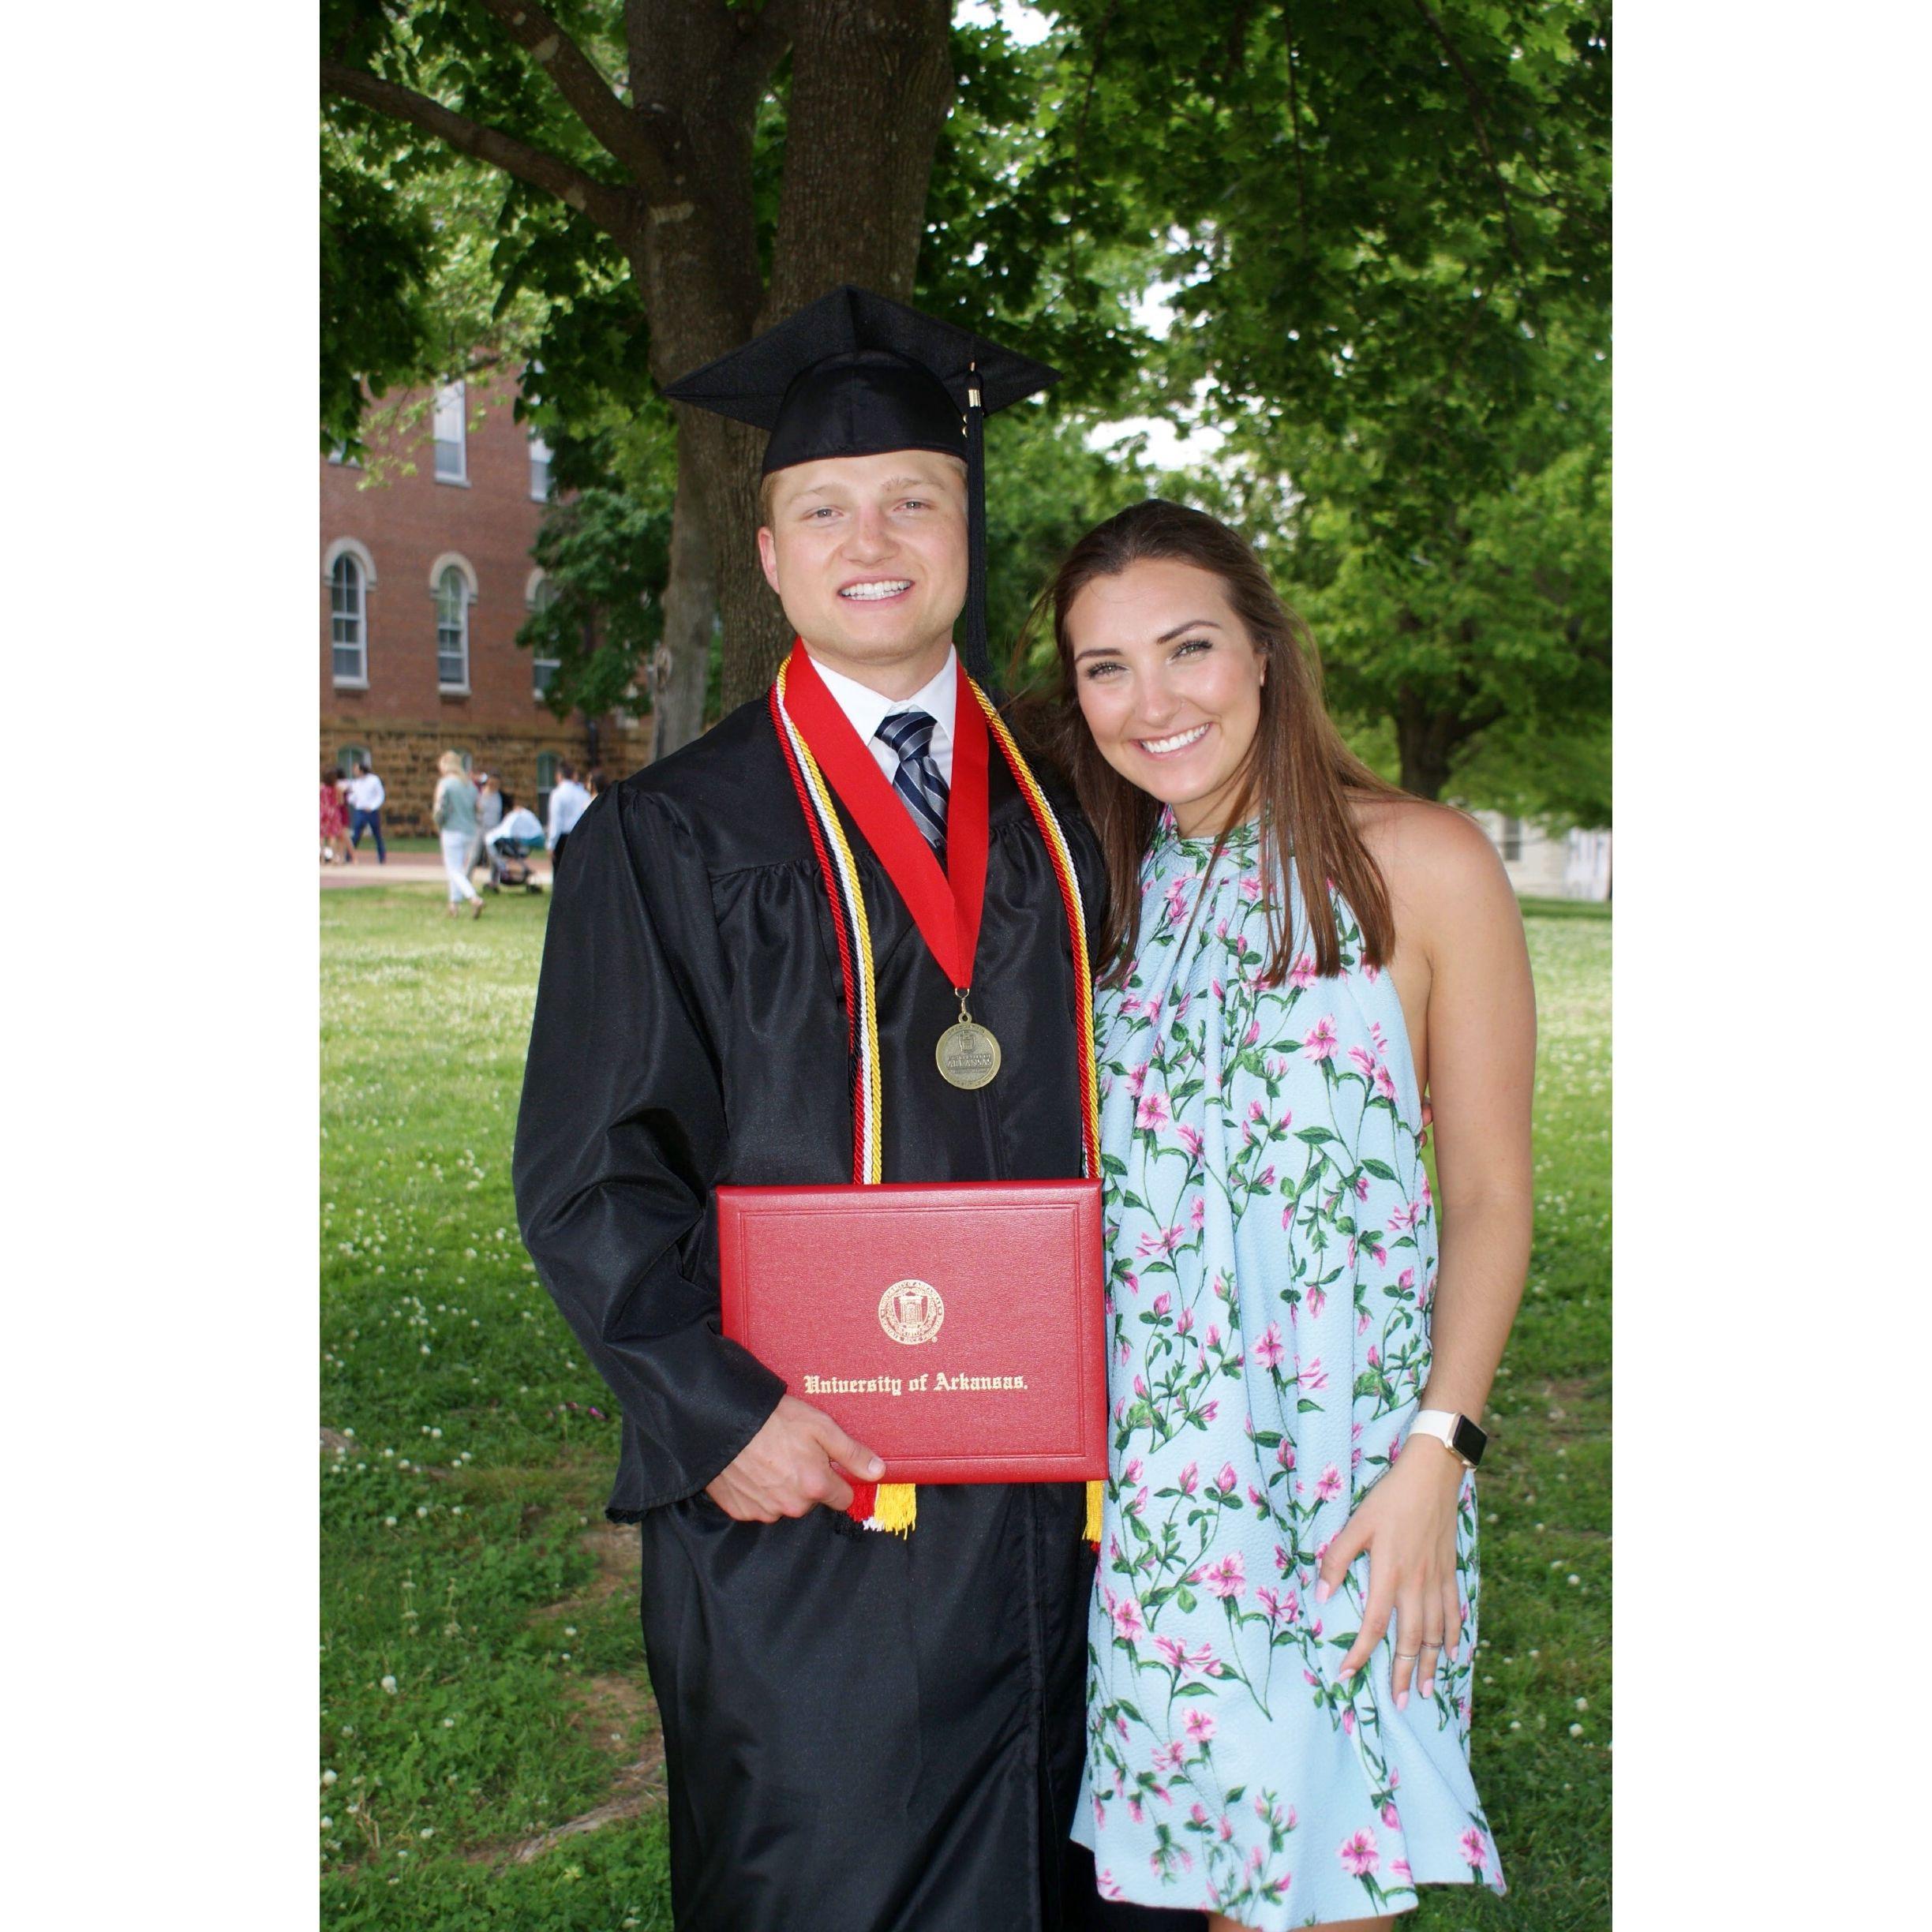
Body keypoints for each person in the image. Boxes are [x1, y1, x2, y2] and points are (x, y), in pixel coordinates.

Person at [514, 287, 1176, 1932]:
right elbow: (593, 1178)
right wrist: (711, 1415)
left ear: (966, 532)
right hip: (813, 1503)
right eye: (826, 506)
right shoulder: (668, 838)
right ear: (770, 553)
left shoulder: (1088, 805)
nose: (870, 537)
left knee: (1098, 1878)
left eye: (914, 498)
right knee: (834, 1874)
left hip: (1084, 1510)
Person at [1034, 501, 1533, 1932]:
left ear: (1262, 650)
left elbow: (1490, 1194)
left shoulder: (1420, 863)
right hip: (1158, 1490)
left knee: (1326, 1885)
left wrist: (1437, 1455)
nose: (1153, 700)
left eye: (1188, 647)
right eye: (1104, 667)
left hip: (1355, 1469)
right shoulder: (1104, 896)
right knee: (1211, 1883)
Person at [431, 751, 483, 919]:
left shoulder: (445, 784)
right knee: (458, 870)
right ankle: (453, 905)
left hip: (452, 830)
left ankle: (473, 897)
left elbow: (440, 808)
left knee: (453, 870)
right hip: (470, 831)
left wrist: (438, 822)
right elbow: (479, 808)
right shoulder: (470, 785)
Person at [544, 761, 590, 871]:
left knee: (561, 872)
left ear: (559, 776)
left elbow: (556, 821)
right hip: (581, 836)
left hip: (563, 838)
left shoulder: (557, 794)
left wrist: (551, 844)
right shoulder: (583, 793)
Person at [345, 758, 387, 863]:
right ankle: (349, 856)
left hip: (371, 811)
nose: (354, 771)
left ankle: (382, 858)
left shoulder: (374, 780)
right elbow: (354, 797)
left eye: (356, 769)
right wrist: (347, 798)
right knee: (356, 835)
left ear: (362, 770)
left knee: (377, 835)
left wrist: (372, 806)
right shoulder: (356, 783)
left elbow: (380, 795)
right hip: (360, 810)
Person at [474, 772, 505, 887]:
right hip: (481, 827)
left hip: (494, 829)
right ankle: (466, 880)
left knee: (494, 856)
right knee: (475, 855)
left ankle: (494, 881)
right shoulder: (480, 793)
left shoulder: (499, 795)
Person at [320, 767, 352, 866]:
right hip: (333, 812)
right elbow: (341, 802)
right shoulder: (337, 789)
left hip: (322, 812)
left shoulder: (321, 788)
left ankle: (322, 860)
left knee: (321, 836)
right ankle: (334, 859)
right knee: (332, 835)